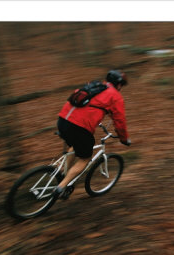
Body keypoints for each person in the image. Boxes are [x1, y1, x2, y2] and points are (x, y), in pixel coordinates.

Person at [52, 70, 131, 198]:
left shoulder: (94, 86)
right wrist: (124, 139)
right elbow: (120, 120)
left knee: (75, 145)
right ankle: (61, 187)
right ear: (119, 85)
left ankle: (62, 172)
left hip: (62, 120)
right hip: (78, 127)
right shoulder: (115, 96)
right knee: (85, 159)